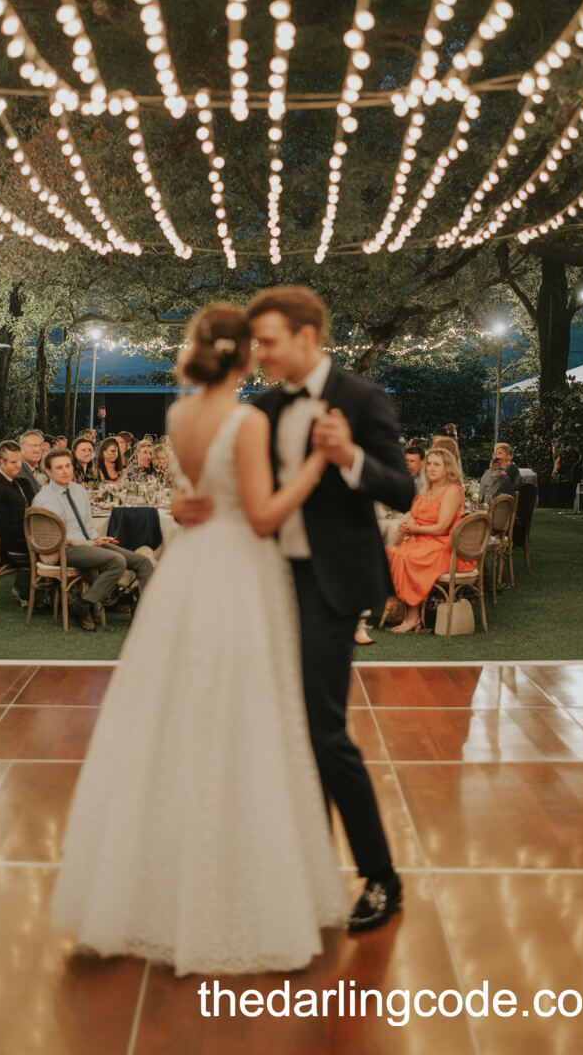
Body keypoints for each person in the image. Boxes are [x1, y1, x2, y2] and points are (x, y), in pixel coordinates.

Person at [52, 303, 348, 973]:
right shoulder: (244, 420)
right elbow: (266, 515)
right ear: (243, 356)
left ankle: (152, 875)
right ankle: (239, 882)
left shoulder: (180, 415)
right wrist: (317, 466)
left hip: (190, 568)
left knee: (172, 709)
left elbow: (196, 494)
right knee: (247, 714)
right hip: (240, 571)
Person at [174, 287, 413, 934]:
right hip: (266, 582)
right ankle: (307, 876)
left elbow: (404, 488)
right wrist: (200, 504)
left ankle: (381, 877)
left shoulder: (362, 399)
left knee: (323, 731)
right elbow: (250, 492)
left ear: (307, 337)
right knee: (285, 734)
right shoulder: (265, 406)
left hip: (330, 587)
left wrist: (349, 458)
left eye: (270, 342)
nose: (261, 354)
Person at [35, 448, 153, 632]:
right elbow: (59, 538)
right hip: (65, 549)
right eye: (59, 468)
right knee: (116, 561)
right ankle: (85, 605)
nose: (65, 471)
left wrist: (97, 539)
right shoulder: (45, 499)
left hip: (88, 542)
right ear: (48, 472)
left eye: (67, 466)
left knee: (143, 562)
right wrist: (89, 543)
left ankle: (147, 614)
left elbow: (86, 524)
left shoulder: (79, 491)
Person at [385, 447, 474, 634]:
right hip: (421, 541)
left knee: (409, 558)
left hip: (445, 546)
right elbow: (413, 515)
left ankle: (413, 617)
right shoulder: (426, 491)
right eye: (429, 464)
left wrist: (416, 529)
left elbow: (442, 527)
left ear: (447, 468)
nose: (431, 468)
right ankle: (395, 610)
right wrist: (406, 526)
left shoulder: (452, 491)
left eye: (437, 465)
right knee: (391, 552)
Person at [0, 440, 33, 599]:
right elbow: (4, 528)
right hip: (10, 546)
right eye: (13, 462)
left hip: (21, 538)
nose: (18, 466)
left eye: (20, 461)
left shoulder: (15, 482)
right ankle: (33, 593)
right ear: (1, 462)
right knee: (54, 547)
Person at [18, 430, 46, 496]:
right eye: (33, 445)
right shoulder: (15, 472)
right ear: (21, 448)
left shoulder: (46, 470)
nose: (37, 450)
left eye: (40, 445)